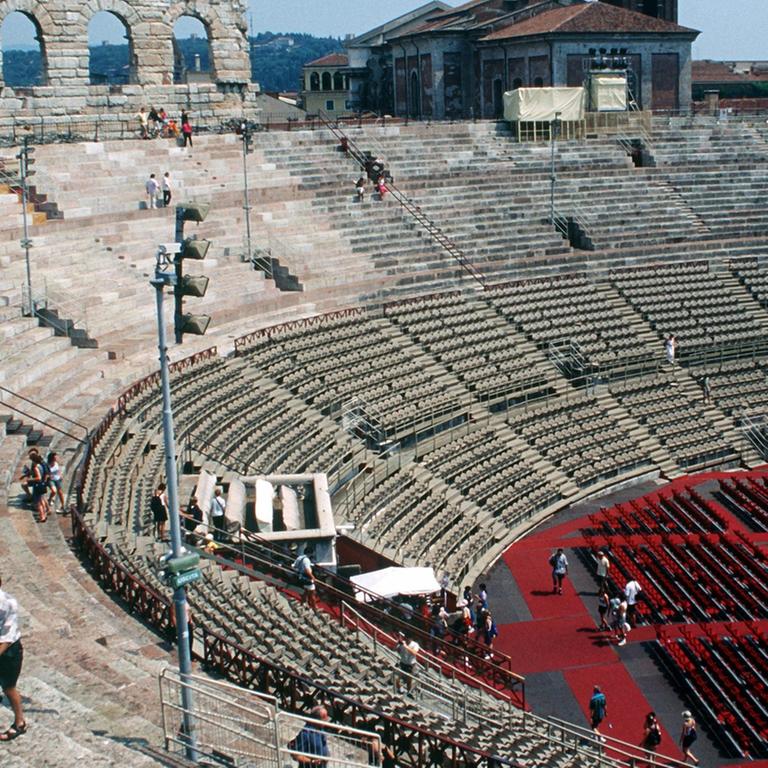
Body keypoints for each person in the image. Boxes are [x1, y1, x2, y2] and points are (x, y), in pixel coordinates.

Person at [0, 575, 27, 741]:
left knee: (9, 688)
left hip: (9, 651)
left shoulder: (9, 603)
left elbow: (7, 639)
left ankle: (20, 722)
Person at [30, 451, 50, 522]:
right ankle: (45, 514)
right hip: (42, 485)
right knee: (42, 500)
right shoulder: (41, 465)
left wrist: (30, 479)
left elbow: (38, 478)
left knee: (39, 503)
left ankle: (42, 517)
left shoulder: (36, 467)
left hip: (38, 486)